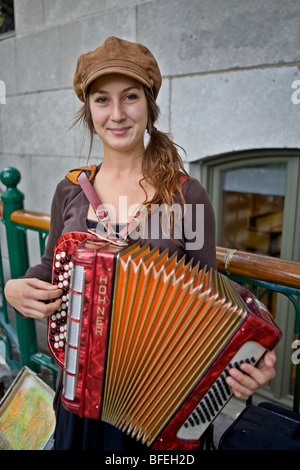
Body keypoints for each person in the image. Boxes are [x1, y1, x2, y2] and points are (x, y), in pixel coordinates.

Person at [4, 36, 276, 450]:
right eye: (102, 100)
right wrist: (15, 287)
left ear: (149, 105)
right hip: (79, 395)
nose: (116, 114)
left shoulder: (187, 196)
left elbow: (210, 305)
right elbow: (48, 267)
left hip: (159, 406)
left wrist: (247, 360)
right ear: (88, 109)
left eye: (130, 97)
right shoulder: (70, 190)